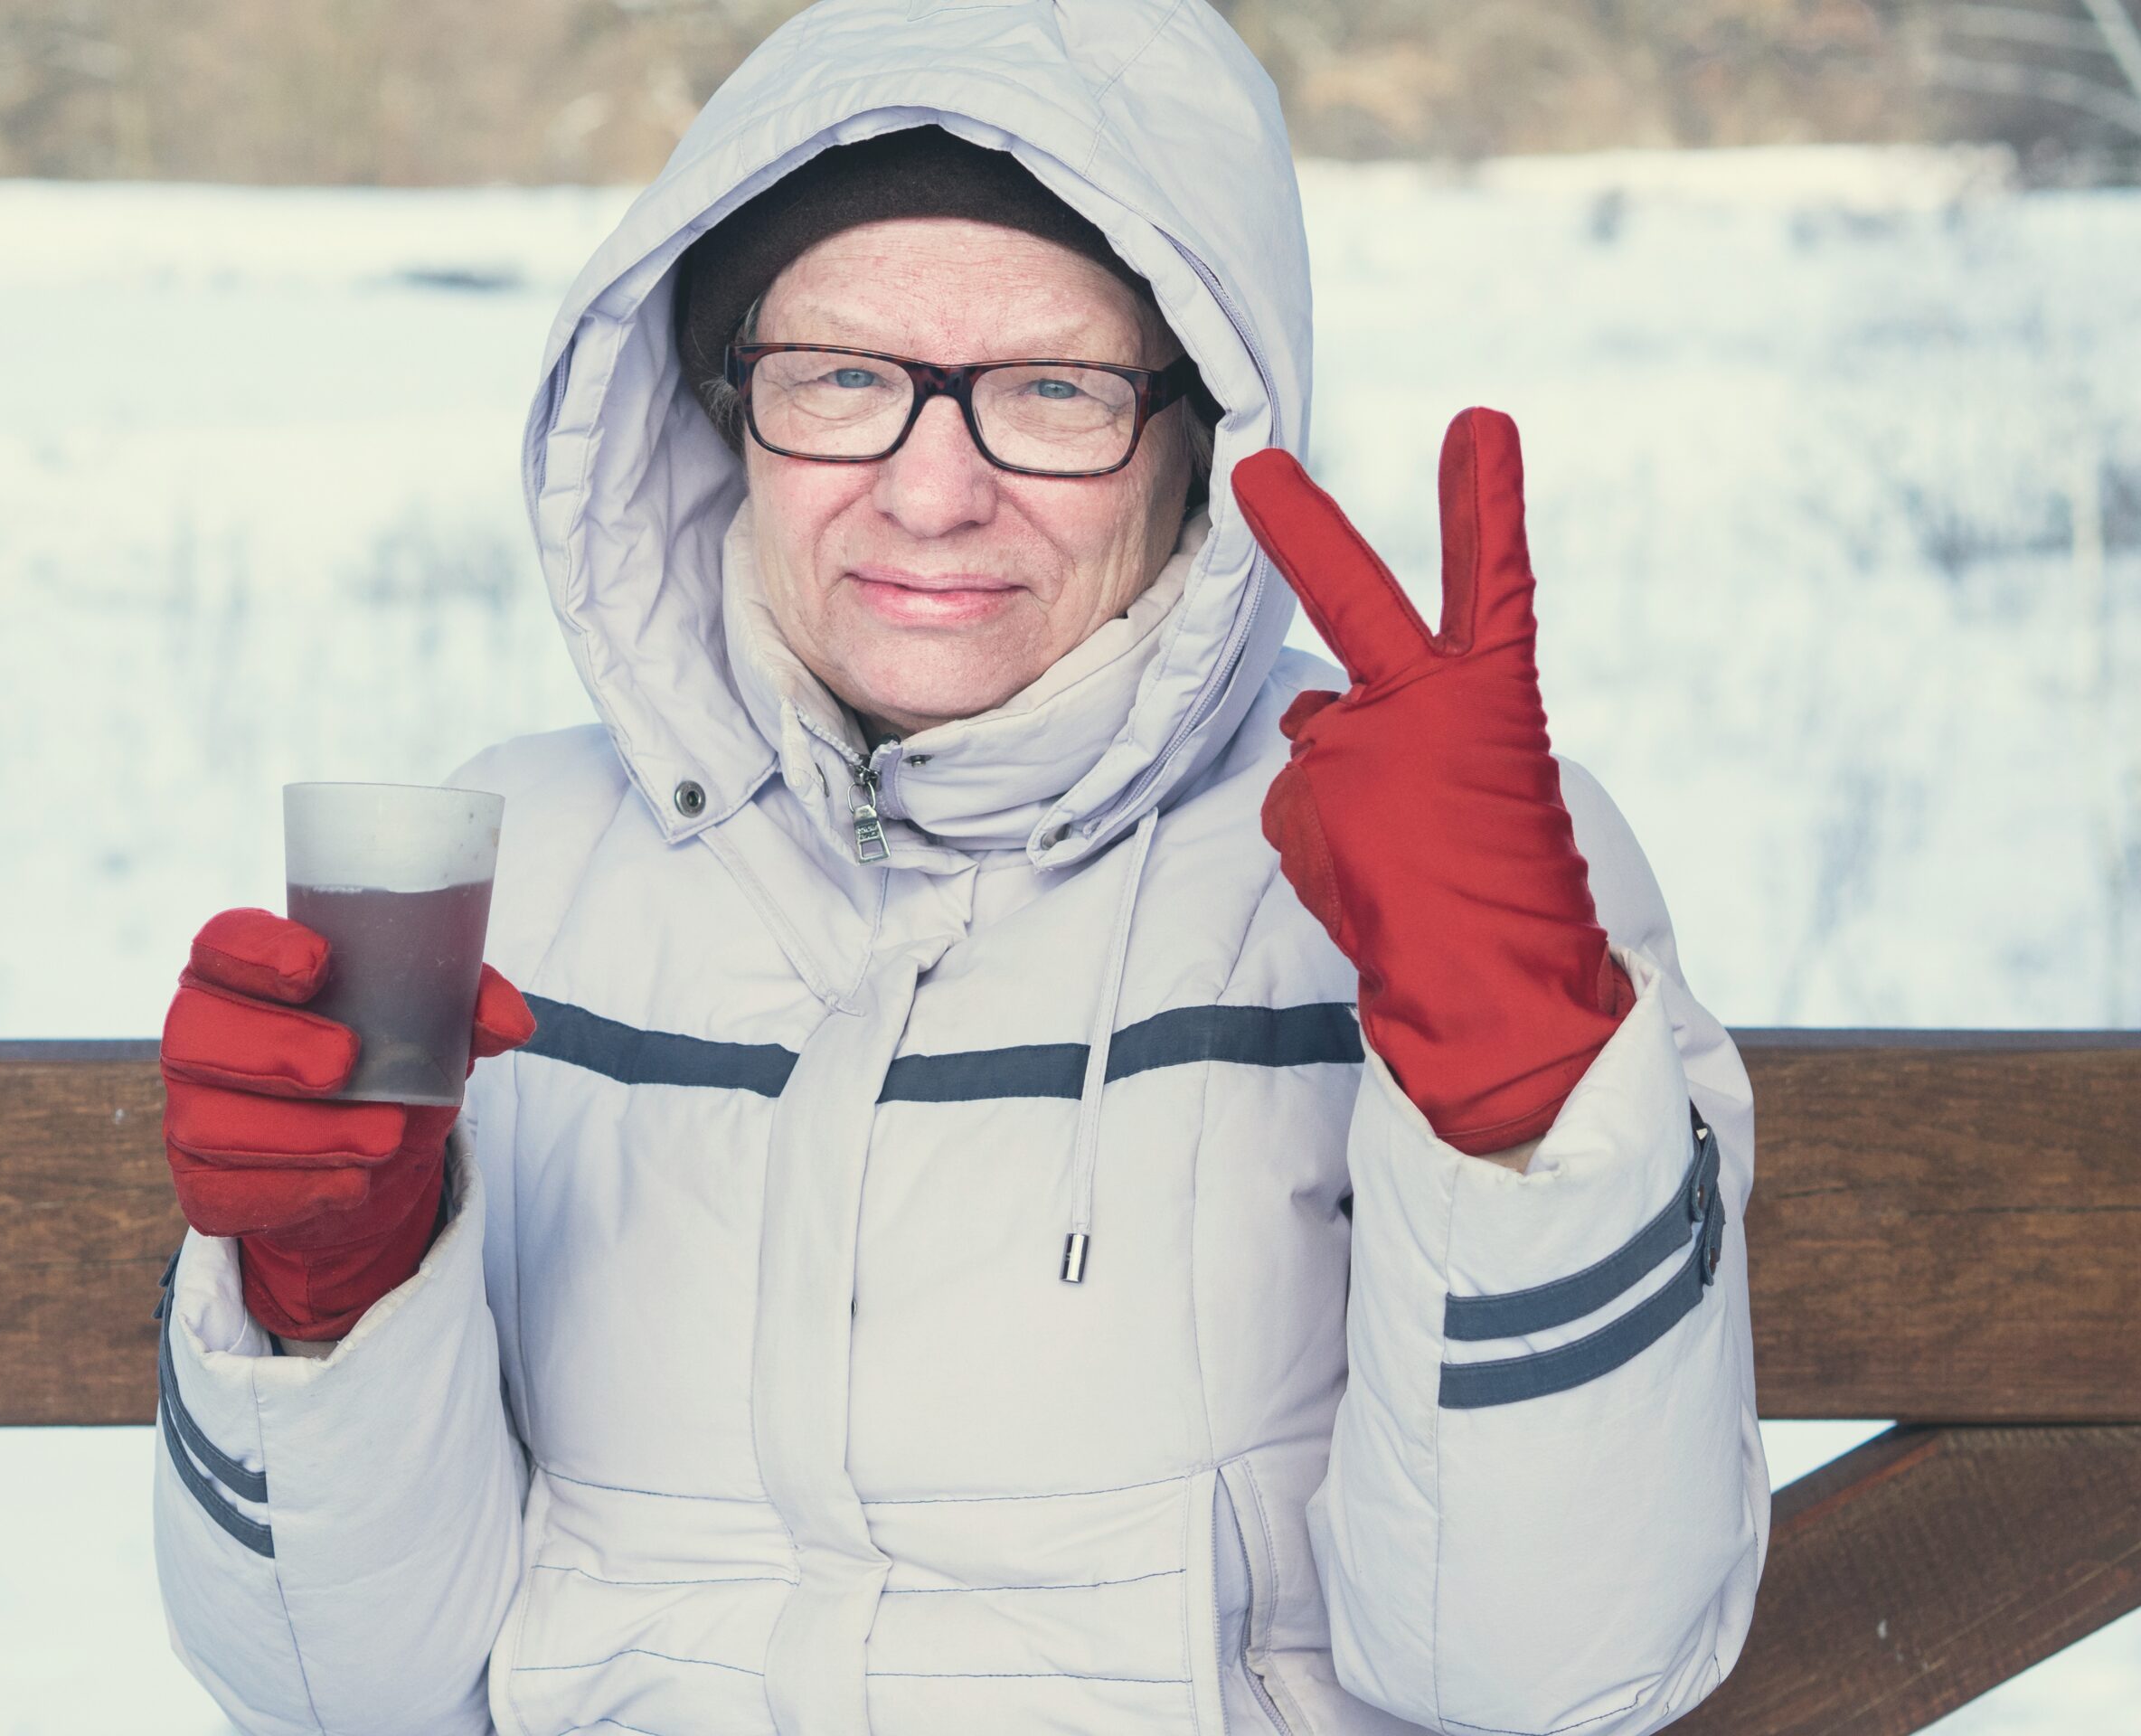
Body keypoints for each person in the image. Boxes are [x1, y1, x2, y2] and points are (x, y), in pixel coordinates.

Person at [151, 4, 1766, 1732]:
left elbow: (1548, 1682)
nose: (933, 492)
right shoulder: (524, 870)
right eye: (842, 380)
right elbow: (341, 1691)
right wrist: (329, 1304)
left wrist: (1523, 1110)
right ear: (723, 406)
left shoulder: (1434, 851)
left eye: (1053, 391)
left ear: (1199, 433)